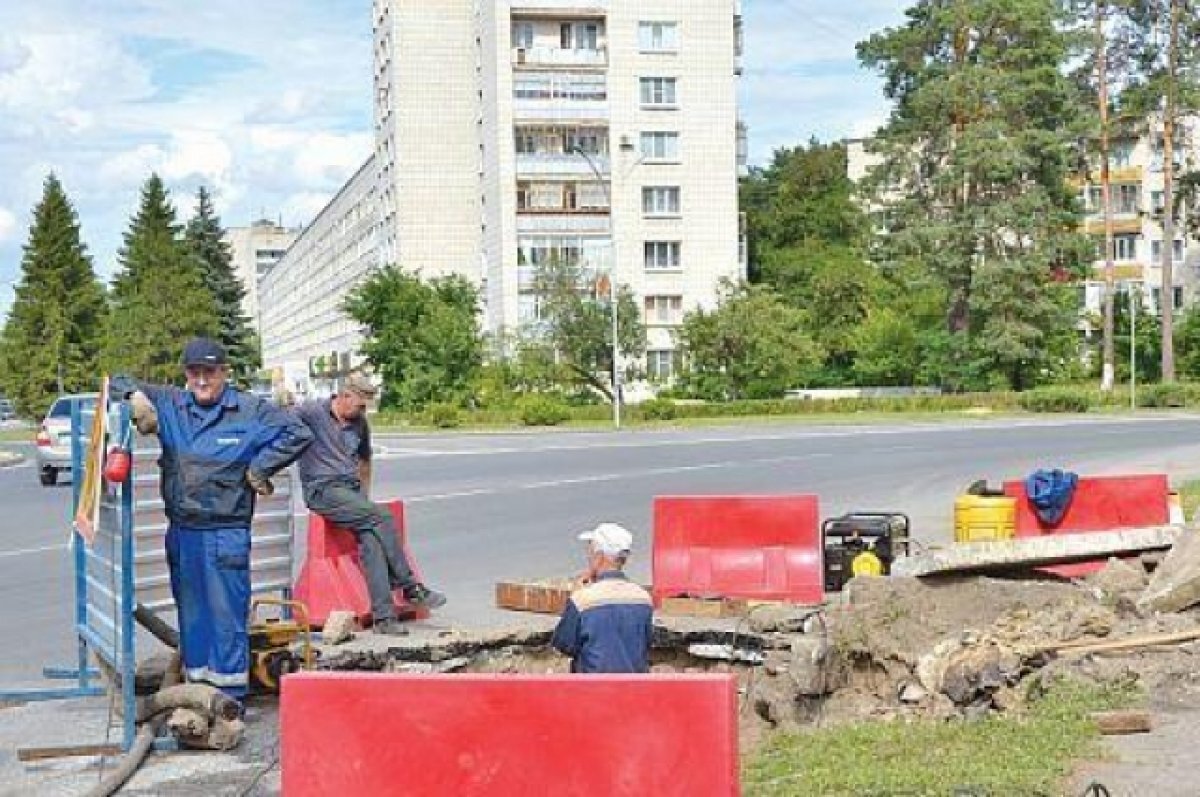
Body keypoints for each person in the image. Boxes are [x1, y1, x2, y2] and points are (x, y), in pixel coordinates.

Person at [111, 338, 313, 702]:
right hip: (183, 532)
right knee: (192, 615)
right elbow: (116, 380)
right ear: (186, 374)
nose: (202, 380)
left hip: (226, 532)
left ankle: (229, 698)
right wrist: (134, 398)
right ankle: (197, 691)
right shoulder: (171, 404)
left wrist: (261, 467)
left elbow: (299, 433)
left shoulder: (249, 410)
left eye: (210, 372)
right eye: (195, 372)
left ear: (224, 373)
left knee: (226, 618)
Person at [293, 374, 446, 635]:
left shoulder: (359, 424)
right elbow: (278, 420)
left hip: (349, 491)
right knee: (382, 517)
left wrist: (363, 499)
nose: (363, 412)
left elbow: (365, 462)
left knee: (372, 539)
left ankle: (384, 619)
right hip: (322, 490)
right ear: (345, 396)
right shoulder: (312, 412)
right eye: (360, 405)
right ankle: (410, 587)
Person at [551, 523, 653, 673]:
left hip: (593, 685)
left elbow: (563, 644)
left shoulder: (583, 599)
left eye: (591, 553)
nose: (588, 558)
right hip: (634, 685)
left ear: (599, 557)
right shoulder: (643, 598)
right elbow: (646, 643)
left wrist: (575, 596)